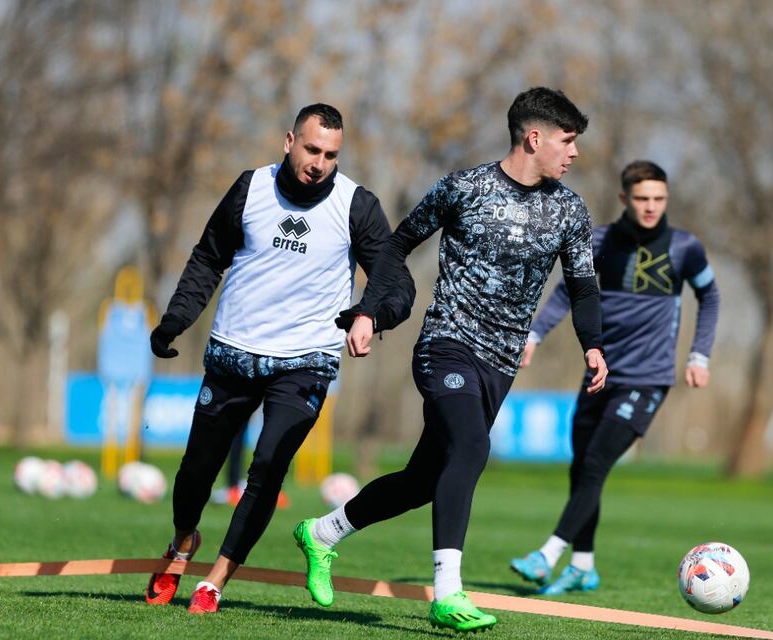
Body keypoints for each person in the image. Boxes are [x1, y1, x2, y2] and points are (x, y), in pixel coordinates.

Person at [292, 87, 608, 633]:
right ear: (535, 138)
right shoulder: (465, 188)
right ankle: (448, 593)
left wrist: (593, 344)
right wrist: (368, 312)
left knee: (422, 481)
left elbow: (583, 288)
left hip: (501, 364)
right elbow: (396, 246)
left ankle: (321, 535)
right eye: (567, 140)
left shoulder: (569, 208)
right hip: (446, 345)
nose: (573, 153)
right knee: (471, 445)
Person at [143, 103, 414, 614]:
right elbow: (208, 256)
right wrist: (175, 319)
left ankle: (216, 580)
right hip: (232, 353)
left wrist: (371, 317)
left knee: (268, 465)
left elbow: (397, 281)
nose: (320, 162)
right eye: (312, 149)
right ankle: (183, 542)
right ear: (289, 141)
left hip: (305, 362)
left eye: (331, 154)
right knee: (196, 472)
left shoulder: (357, 204)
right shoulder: (250, 188)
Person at [509, 160, 720, 596]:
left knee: (597, 463)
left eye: (659, 199)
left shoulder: (685, 247)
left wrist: (699, 353)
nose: (650, 207)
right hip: (600, 373)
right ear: (625, 198)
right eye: (642, 199)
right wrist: (534, 334)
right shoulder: (600, 240)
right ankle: (583, 566)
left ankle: (548, 554)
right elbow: (569, 291)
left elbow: (710, 295)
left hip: (649, 378)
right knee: (582, 468)